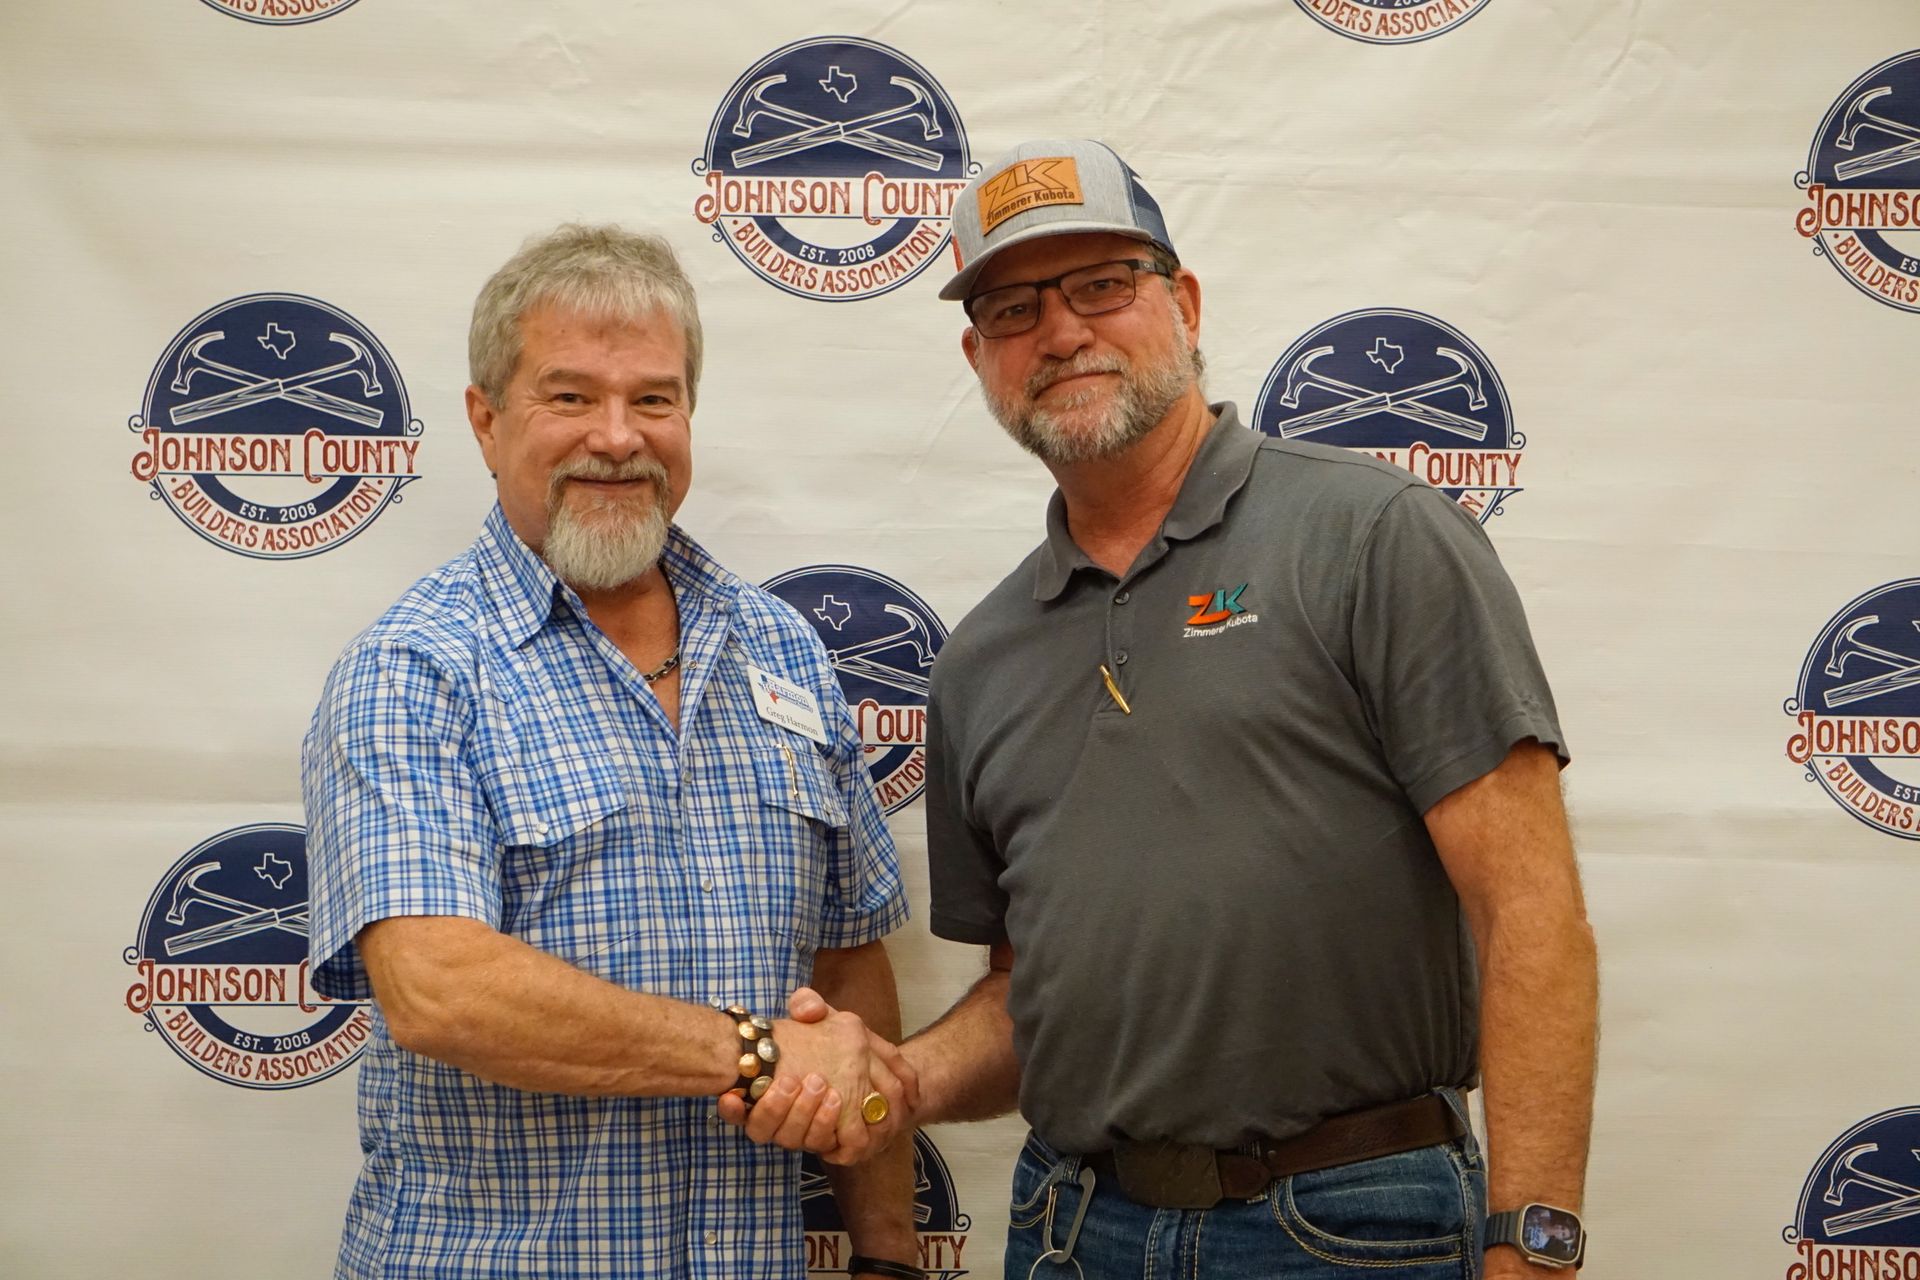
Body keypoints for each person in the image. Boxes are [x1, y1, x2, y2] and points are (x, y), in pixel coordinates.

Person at [727, 141, 1599, 1278]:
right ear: (978, 354)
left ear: (1182, 302)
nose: (1061, 331)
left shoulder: (1374, 538)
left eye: (1102, 284)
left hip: (1349, 1224)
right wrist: (903, 1078)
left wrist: (1532, 1246)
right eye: (1012, 307)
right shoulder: (984, 658)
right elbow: (1024, 999)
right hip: (1073, 1228)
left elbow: (1531, 918)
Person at [302, 224, 924, 1280]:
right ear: (485, 420)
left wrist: (890, 1252)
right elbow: (441, 988)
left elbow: (847, 960)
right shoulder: (415, 667)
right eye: (570, 396)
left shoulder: (783, 649)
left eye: (653, 398)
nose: (618, 436)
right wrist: (755, 1051)